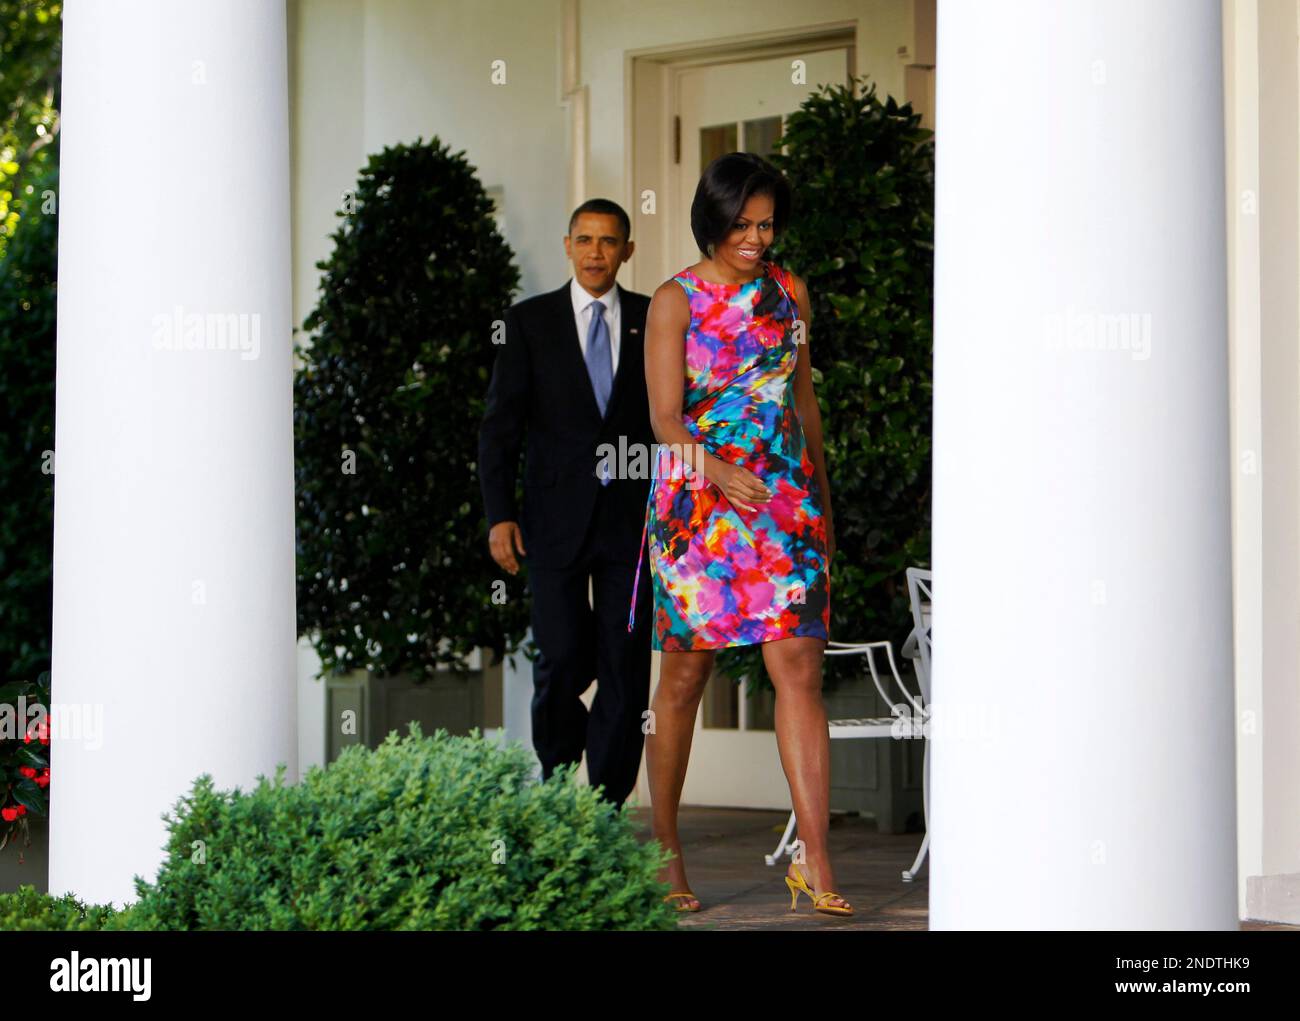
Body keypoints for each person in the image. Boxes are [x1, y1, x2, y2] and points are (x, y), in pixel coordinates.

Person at [626, 152, 851, 916]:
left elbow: (805, 398)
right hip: (700, 507)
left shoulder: (789, 291)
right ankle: (664, 851)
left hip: (785, 500)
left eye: (766, 224)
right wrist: (719, 473)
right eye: (742, 224)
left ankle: (816, 860)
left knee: (798, 668)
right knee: (685, 678)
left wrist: (819, 497)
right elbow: (662, 419)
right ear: (712, 219)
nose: (757, 238)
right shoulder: (674, 300)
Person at [478, 199, 656, 808]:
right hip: (550, 524)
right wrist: (499, 513)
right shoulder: (529, 323)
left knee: (626, 666)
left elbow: (673, 420)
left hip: (632, 526)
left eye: (609, 242)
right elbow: (500, 426)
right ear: (567, 245)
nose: (596, 253)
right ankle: (557, 780)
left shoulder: (652, 319)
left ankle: (606, 804)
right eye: (585, 240)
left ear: (626, 251)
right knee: (559, 657)